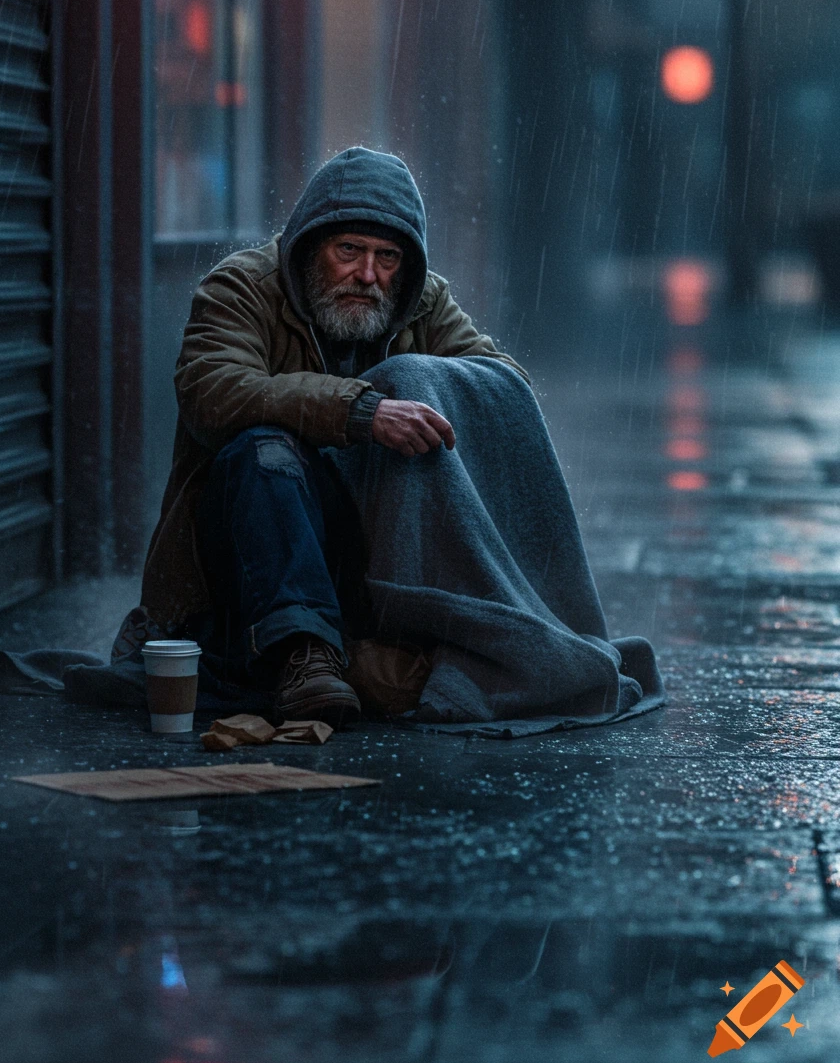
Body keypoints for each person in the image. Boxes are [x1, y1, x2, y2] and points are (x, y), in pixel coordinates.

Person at [124, 145, 661, 735]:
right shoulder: (242, 288)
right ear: (309, 247)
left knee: (424, 382)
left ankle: (390, 636)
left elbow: (503, 388)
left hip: (354, 543)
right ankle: (305, 655)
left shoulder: (419, 301)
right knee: (264, 450)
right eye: (348, 251)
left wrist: (421, 390)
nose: (369, 276)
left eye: (387, 257)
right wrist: (362, 411)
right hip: (244, 550)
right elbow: (212, 391)